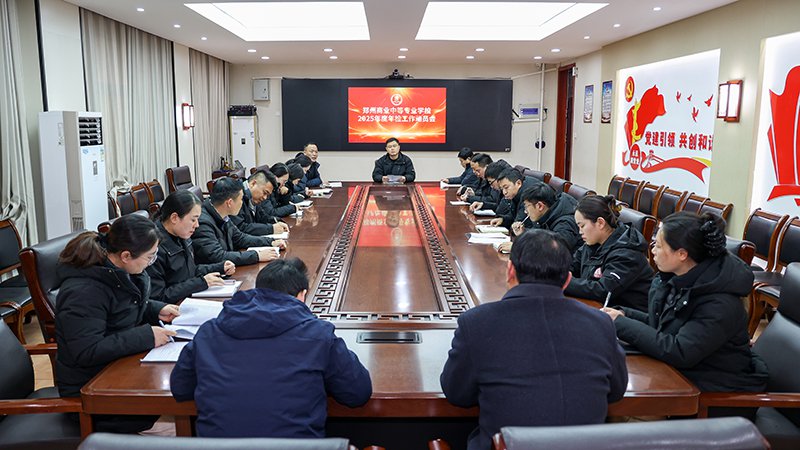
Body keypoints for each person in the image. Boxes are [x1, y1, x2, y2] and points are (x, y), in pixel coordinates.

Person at [441, 230, 627, 450]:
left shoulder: (476, 323)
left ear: (510, 270)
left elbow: (457, 394)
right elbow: (616, 391)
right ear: (567, 280)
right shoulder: (600, 323)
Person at [170, 257, 372, 438]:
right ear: (302, 295)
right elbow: (358, 393)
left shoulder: (209, 332)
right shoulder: (318, 334)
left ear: (258, 289)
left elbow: (180, 387)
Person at [603, 212, 768, 393]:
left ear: (682, 254)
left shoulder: (719, 303)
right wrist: (623, 314)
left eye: (659, 245)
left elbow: (680, 351)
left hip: (714, 393)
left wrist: (621, 323)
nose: (652, 250)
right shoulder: (678, 279)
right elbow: (664, 323)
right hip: (682, 375)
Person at [55, 214, 180, 433]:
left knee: (181, 397)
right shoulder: (83, 292)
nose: (151, 263)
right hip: (93, 392)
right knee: (179, 417)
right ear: (125, 255)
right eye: (150, 257)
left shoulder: (118, 272)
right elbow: (87, 350)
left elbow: (121, 306)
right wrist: (146, 336)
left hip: (118, 370)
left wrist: (156, 309)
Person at [565, 195, 653, 311]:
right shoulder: (592, 243)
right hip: (598, 308)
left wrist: (564, 281)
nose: (580, 232)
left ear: (600, 223)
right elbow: (571, 265)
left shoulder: (627, 253)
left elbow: (603, 290)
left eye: (582, 226)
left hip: (627, 314)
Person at [148, 190, 237, 305]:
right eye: (193, 220)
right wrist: (201, 282)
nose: (197, 225)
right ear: (174, 218)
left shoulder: (181, 235)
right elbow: (159, 297)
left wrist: (220, 267)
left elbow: (189, 271)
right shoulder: (153, 247)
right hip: (172, 308)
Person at [192, 177, 286, 266]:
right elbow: (217, 256)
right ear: (229, 203)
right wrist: (256, 256)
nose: (242, 203)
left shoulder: (222, 215)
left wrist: (271, 242)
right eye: (241, 199)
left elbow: (240, 238)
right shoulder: (202, 223)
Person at [496, 183, 581, 254]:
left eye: (527, 206)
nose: (525, 211)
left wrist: (519, 248)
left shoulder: (565, 223)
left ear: (540, 206)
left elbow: (554, 250)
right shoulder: (548, 214)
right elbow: (542, 238)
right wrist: (524, 232)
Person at [229, 170, 289, 236]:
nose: (265, 197)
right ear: (253, 183)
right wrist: (271, 229)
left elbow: (262, 217)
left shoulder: (253, 197)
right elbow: (240, 228)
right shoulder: (235, 195)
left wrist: (277, 221)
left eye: (267, 195)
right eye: (265, 193)